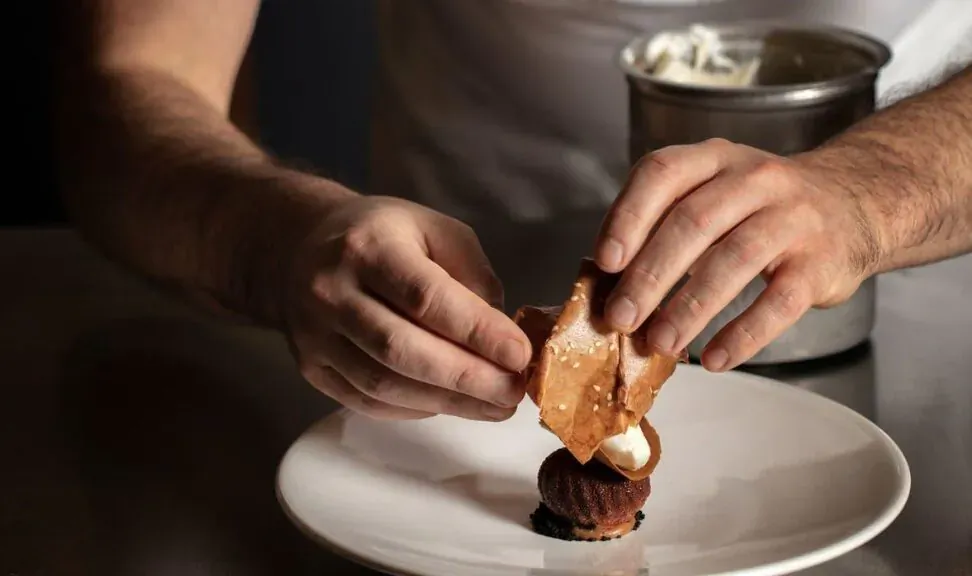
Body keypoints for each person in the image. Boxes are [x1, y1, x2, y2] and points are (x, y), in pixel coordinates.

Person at [53, 1, 970, 423]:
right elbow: (128, 82)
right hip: (428, 381)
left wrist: (872, 190)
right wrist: (277, 240)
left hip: (929, 356)